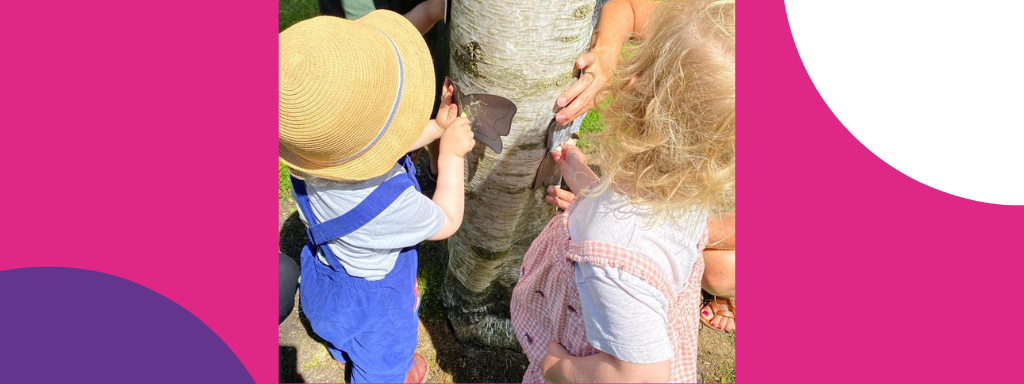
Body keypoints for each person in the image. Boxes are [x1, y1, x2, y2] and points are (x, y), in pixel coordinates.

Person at [510, 0, 735, 382]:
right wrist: (584, 180)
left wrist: (559, 368)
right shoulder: (678, 188)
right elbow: (632, 209)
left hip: (591, 358)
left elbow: (638, 377)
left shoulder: (614, 253)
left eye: (643, 67)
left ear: (639, 94)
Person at [279, 12, 474, 383]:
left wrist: (436, 128)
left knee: (340, 329)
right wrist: (449, 156)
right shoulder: (388, 204)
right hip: (375, 305)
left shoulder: (309, 160)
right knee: (382, 359)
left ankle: (343, 352)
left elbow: (379, 149)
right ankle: (387, 371)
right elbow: (447, 219)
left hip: (323, 278)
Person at [553, 0, 738, 334]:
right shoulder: (681, 194)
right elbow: (633, 6)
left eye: (644, 73)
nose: (630, 78)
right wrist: (606, 52)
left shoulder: (621, 248)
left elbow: (639, 370)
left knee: (722, 270)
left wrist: (557, 365)